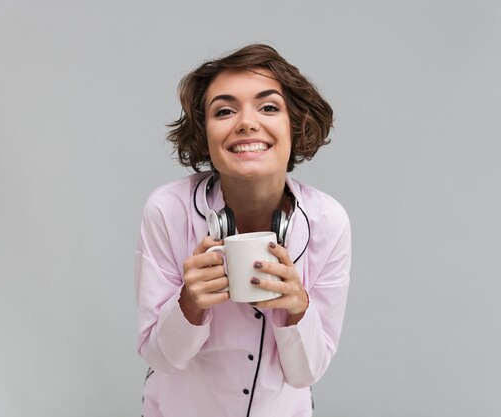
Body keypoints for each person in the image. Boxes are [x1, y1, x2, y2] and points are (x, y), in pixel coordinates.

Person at [134, 44, 351, 417]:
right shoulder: (168, 210)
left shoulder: (328, 221)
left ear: (295, 125)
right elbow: (160, 358)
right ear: (205, 133)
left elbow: (306, 374)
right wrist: (189, 303)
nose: (246, 123)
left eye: (268, 107)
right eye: (224, 110)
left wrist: (299, 308)